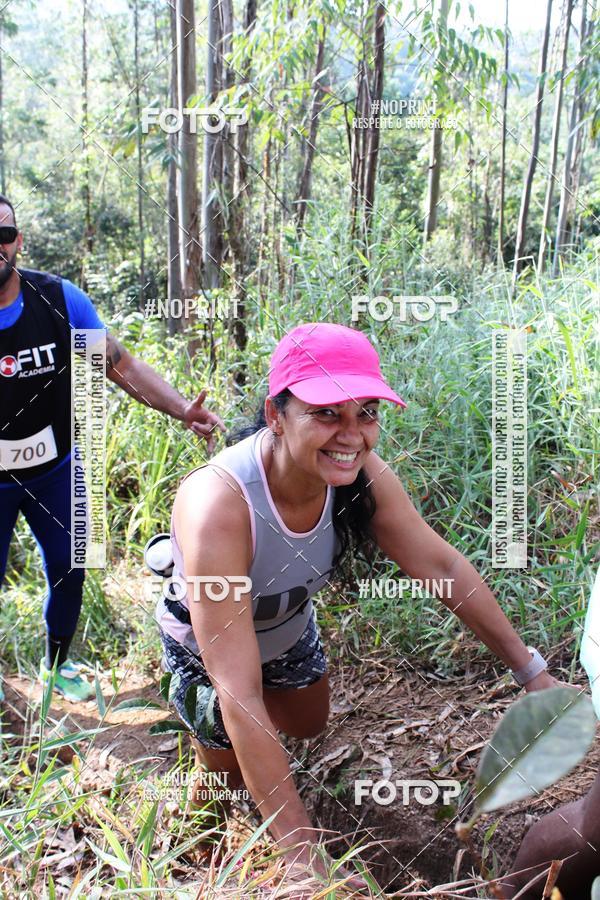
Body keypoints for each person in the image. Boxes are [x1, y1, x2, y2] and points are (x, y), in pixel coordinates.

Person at [155, 322, 558, 892]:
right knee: (223, 767)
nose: (351, 434)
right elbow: (239, 688)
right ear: (276, 414)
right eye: (326, 413)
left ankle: (252, 765)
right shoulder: (218, 503)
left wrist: (533, 673)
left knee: (306, 723)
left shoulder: (361, 478)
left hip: (288, 628)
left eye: (365, 412)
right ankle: (195, 833)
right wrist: (302, 855)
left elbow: (441, 568)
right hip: (206, 646)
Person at [0, 194, 224, 703]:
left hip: (54, 471)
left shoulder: (56, 299)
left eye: (3, 234)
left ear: (17, 241)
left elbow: (120, 365)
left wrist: (181, 409)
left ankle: (57, 662)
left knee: (71, 565)